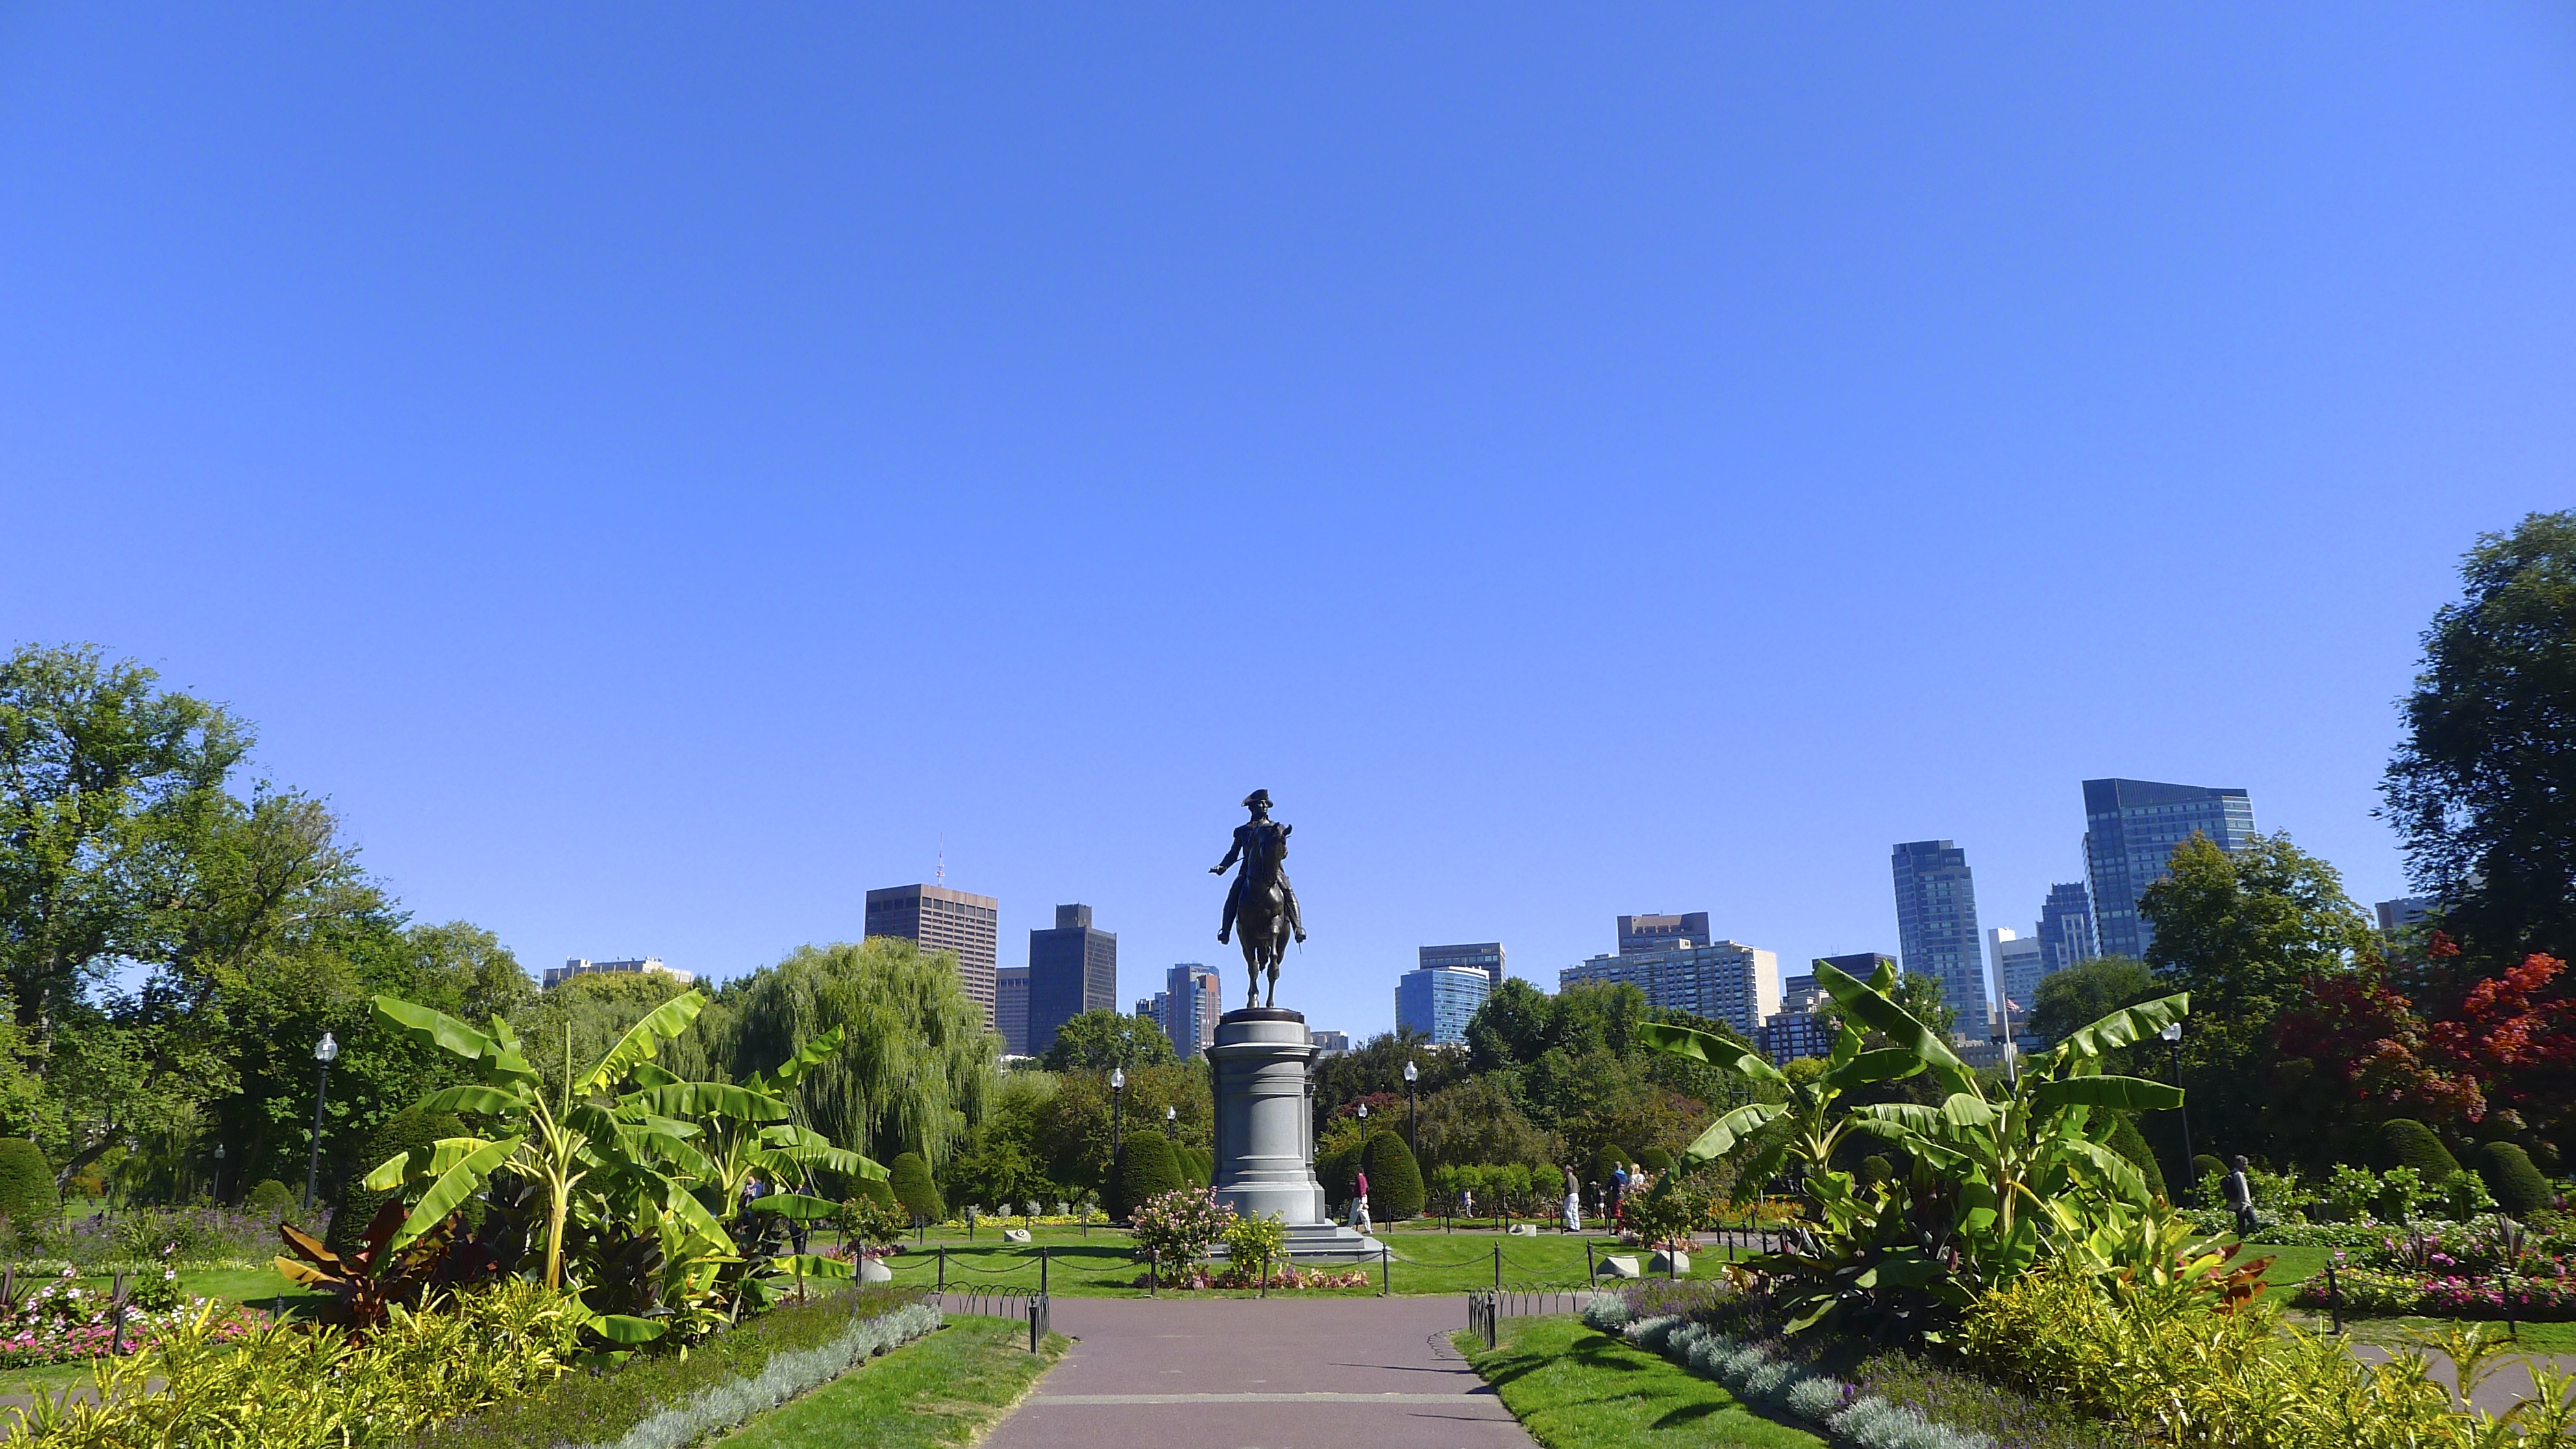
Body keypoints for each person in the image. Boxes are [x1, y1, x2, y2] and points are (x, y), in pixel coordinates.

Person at [2223, 1155, 2257, 1238]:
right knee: (2255, 1222)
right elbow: (2243, 1190)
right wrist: (2244, 1205)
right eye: (2244, 1164)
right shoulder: (2239, 1175)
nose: (2246, 1166)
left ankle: (2242, 1238)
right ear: (2238, 1164)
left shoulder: (2232, 1174)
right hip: (2244, 1204)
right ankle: (2249, 1236)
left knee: (2241, 1224)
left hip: (2236, 1204)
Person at [1350, 1167, 1374, 1235]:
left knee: (1354, 1213)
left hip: (1359, 1198)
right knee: (1364, 1214)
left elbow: (1361, 1188)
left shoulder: (1360, 1178)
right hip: (1363, 1197)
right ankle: (1368, 1229)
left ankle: (1349, 1227)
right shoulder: (1363, 1178)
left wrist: (1361, 1197)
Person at [1563, 1163, 1583, 1233]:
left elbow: (1569, 1186)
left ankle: (1572, 1226)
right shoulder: (1575, 1178)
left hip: (1571, 1195)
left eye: (1565, 1170)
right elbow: (1579, 1188)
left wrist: (1566, 1194)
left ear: (1568, 1170)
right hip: (1576, 1195)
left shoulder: (1569, 1177)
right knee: (1575, 1211)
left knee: (1568, 1211)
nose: (1564, 1172)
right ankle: (1577, 1226)